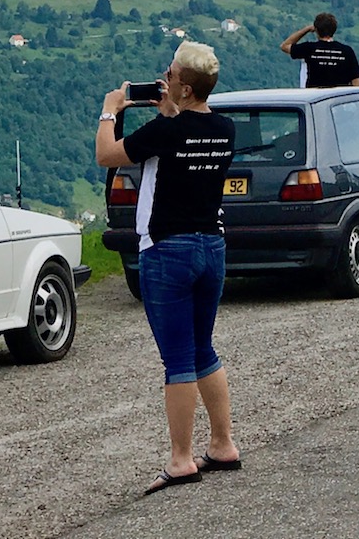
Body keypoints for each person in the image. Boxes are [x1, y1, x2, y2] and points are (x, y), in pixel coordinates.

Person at [96, 41, 242, 496]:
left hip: (167, 250)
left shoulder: (165, 131)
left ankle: (181, 459)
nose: (165, 75)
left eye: (171, 73)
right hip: (212, 246)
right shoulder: (225, 129)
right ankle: (223, 444)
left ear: (184, 86)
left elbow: (107, 155)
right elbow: (189, 141)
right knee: (203, 349)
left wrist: (109, 111)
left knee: (177, 359)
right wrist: (170, 112)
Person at [281, 13, 359, 88]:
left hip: (315, 96)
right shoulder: (347, 51)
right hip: (339, 97)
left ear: (316, 30)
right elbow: (357, 83)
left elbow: (285, 46)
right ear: (334, 29)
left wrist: (307, 29)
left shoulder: (309, 48)